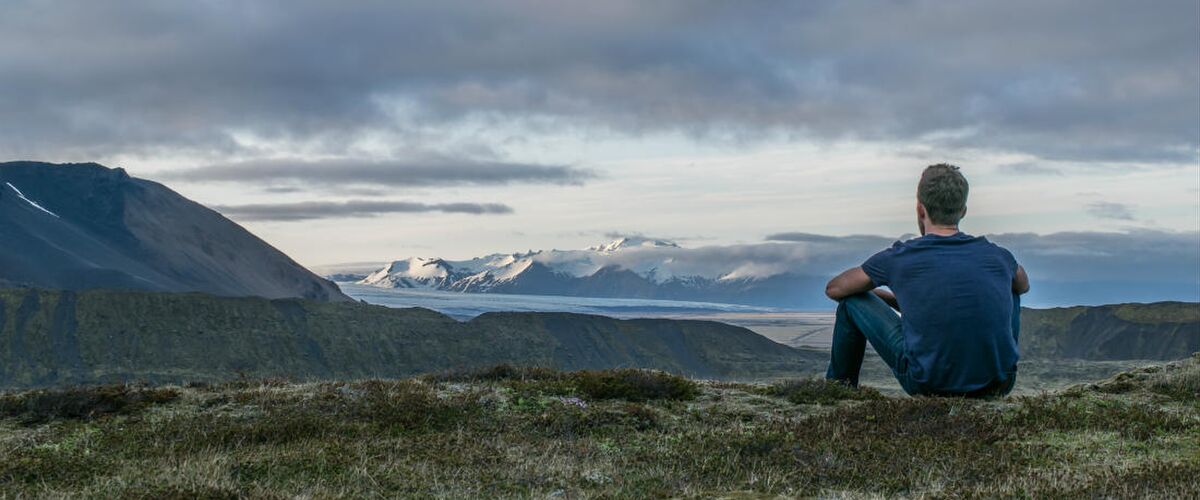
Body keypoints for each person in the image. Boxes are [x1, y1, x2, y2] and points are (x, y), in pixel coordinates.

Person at [823, 164, 1029, 397]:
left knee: (851, 303)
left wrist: (872, 294)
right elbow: (1023, 285)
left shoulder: (900, 257)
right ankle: (994, 368)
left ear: (921, 209)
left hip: (928, 383)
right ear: (963, 210)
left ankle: (838, 391)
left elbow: (835, 288)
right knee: (1012, 289)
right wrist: (896, 300)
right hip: (999, 383)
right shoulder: (998, 256)